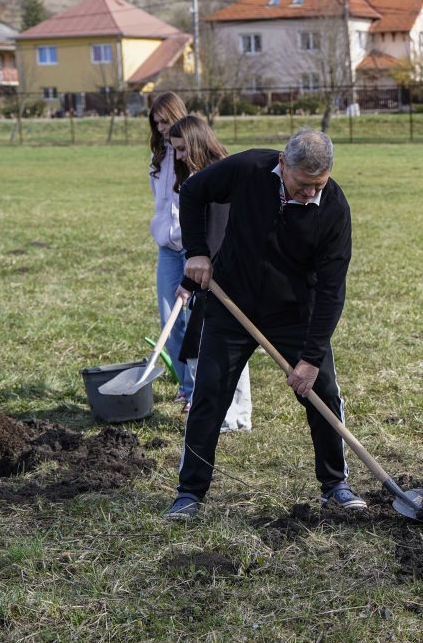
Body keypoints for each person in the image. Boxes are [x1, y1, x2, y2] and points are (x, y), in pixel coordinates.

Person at [164, 129, 363, 521]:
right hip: (232, 303)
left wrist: (309, 359)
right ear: (283, 165)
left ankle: (335, 484)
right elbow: (192, 192)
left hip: (295, 312)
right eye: (304, 185)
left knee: (322, 391)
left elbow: (331, 291)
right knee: (209, 393)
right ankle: (190, 492)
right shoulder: (250, 168)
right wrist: (198, 252)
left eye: (318, 185)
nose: (310, 193)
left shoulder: (334, 208)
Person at [169, 116, 252, 433]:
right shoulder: (201, 175)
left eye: (181, 149)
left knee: (228, 348)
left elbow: (216, 235)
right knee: (214, 347)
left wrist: (190, 282)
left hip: (227, 275)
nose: (177, 156)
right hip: (212, 274)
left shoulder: (219, 176)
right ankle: (229, 416)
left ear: (196, 143)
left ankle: (236, 417)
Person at [147, 92, 193, 407]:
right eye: (157, 123)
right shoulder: (159, 156)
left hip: (193, 250)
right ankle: (186, 386)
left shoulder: (190, 152)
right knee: (169, 319)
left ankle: (198, 388)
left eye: (166, 120)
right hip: (168, 249)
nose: (162, 128)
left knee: (192, 319)